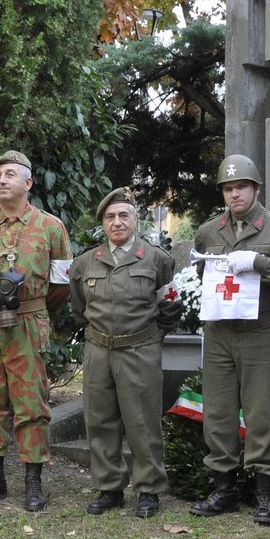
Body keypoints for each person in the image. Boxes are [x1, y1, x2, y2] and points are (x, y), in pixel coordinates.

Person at [189, 153, 270, 525]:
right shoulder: (209, 232)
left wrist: (259, 262)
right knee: (218, 414)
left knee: (261, 414)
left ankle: (265, 496)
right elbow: (201, 274)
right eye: (227, 188)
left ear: (255, 188)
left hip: (263, 332)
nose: (234, 194)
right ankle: (224, 490)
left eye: (241, 187)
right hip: (221, 332)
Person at [0, 149, 72, 512]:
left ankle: (33, 481)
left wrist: (32, 308)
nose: (2, 180)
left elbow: (61, 283)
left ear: (28, 182)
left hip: (27, 322)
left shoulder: (50, 227)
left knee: (31, 402)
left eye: (10, 174)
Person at [69, 187, 181, 518]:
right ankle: (109, 488)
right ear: (103, 224)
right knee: (100, 419)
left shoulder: (157, 259)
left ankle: (148, 490)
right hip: (98, 350)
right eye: (110, 217)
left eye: (123, 215)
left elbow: (171, 306)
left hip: (140, 349)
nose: (117, 222)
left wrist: (153, 336)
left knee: (142, 421)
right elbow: (78, 308)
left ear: (136, 219)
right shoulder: (86, 262)